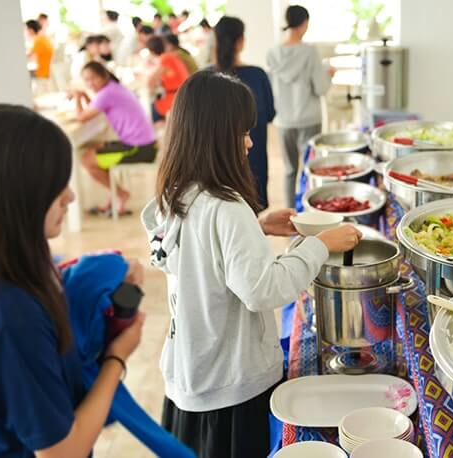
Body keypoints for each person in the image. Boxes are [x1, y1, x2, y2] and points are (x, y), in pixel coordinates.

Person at [142, 70, 362, 458]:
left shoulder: (175, 192)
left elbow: (198, 258)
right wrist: (319, 245)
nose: (249, 142)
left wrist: (256, 227)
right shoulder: (226, 206)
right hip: (230, 384)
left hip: (190, 375)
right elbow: (262, 290)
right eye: (241, 132)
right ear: (214, 136)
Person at [0, 103, 144, 456]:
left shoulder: (6, 263)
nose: (71, 196)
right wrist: (117, 358)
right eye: (56, 186)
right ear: (15, 195)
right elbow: (62, 451)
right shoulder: (11, 317)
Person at [267, 5, 332, 208]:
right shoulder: (310, 52)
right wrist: (329, 74)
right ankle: (311, 213)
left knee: (289, 170)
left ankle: (289, 214)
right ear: (304, 23)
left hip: (284, 120)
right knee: (310, 168)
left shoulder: (273, 53)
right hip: (309, 119)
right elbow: (321, 88)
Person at [74, 61, 157, 215]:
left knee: (86, 159)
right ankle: (114, 196)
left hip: (139, 148)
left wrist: (77, 97)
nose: (90, 83)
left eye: (93, 78)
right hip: (144, 143)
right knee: (96, 148)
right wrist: (85, 95)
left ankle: (120, 194)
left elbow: (81, 117)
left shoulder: (107, 93)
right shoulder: (113, 88)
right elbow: (93, 107)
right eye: (86, 80)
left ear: (103, 76)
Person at [213, 16, 274, 209]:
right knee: (251, 215)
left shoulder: (204, 79)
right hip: (253, 164)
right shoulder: (257, 75)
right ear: (240, 42)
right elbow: (270, 114)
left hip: (216, 169)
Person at [146, 35, 190, 123]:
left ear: (152, 51)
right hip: (184, 93)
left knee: (151, 108)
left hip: (177, 97)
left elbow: (151, 82)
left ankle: (158, 130)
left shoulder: (166, 59)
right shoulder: (171, 56)